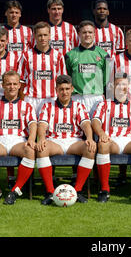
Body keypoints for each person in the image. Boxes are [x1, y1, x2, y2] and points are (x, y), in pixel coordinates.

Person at [0, 71, 38, 204]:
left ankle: (16, 191)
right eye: (8, 84)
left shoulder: (26, 106)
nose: (12, 87)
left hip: (18, 141)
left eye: (15, 84)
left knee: (30, 150)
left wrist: (32, 139)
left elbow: (33, 124)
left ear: (19, 86)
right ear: (3, 85)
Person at [92, 73, 131, 203]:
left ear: (128, 86)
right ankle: (104, 189)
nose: (121, 87)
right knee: (102, 144)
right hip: (111, 140)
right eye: (118, 84)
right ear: (113, 86)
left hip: (129, 141)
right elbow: (95, 122)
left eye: (124, 84)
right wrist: (101, 133)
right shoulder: (103, 104)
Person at [36, 75, 96, 205]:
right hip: (54, 141)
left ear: (72, 89)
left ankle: (78, 190)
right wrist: (41, 138)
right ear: (56, 90)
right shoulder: (47, 106)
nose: (65, 92)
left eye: (67, 89)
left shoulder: (79, 106)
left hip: (73, 142)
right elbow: (42, 125)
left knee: (90, 148)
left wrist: (90, 138)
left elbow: (86, 124)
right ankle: (50, 192)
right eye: (61, 89)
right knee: (41, 149)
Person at [18, 21, 67, 116]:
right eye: (40, 35)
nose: (42, 38)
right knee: (30, 129)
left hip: (51, 99)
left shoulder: (58, 56)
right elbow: (21, 80)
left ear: (49, 36)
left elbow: (62, 80)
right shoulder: (26, 55)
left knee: (50, 130)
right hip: (31, 99)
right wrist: (23, 98)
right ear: (35, 36)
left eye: (45, 35)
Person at [64, 20, 111, 117]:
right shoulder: (69, 55)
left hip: (97, 97)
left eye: (90, 32)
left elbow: (109, 80)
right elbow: (67, 77)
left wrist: (109, 100)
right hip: (77, 98)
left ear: (94, 34)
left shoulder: (105, 55)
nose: (87, 35)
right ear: (79, 34)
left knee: (97, 129)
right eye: (84, 32)